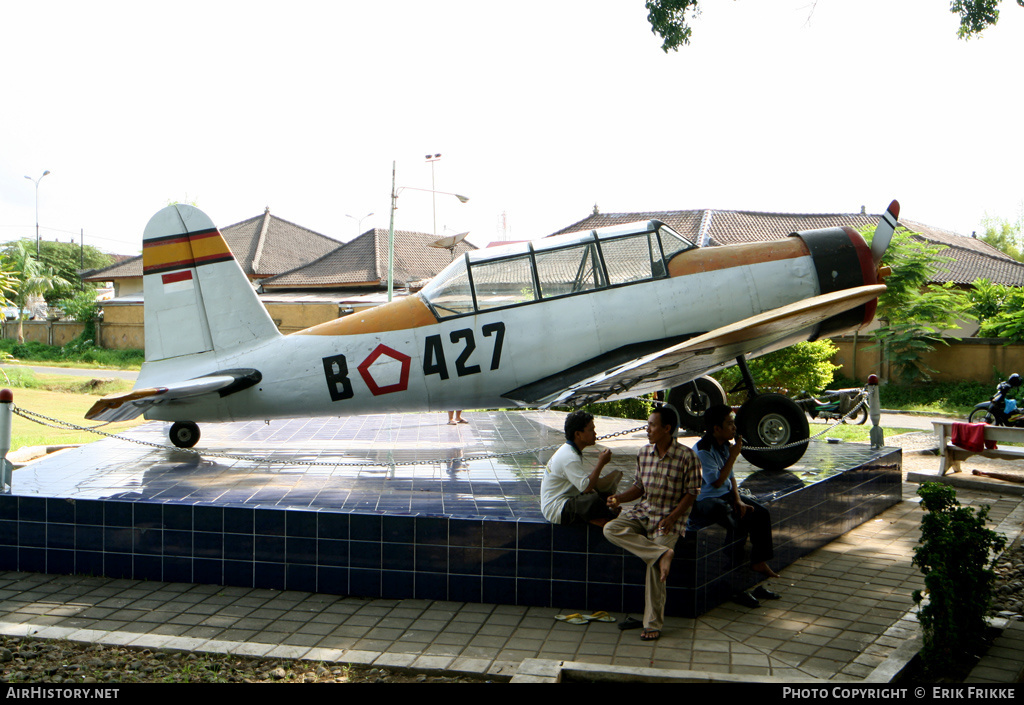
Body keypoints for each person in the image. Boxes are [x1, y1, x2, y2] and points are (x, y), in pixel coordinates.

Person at [603, 406, 701, 641]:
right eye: (648, 425)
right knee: (611, 528)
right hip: (644, 512)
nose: (647, 430)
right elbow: (639, 488)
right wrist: (619, 498)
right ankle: (661, 552)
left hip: (668, 519)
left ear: (667, 429)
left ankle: (652, 624)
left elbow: (691, 493)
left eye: (652, 425)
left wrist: (673, 517)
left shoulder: (687, 456)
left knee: (654, 568)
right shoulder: (643, 453)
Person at [689, 403, 780, 607]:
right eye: (729, 423)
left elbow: (731, 478)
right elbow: (717, 482)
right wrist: (733, 455)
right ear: (716, 428)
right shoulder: (703, 450)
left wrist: (738, 499)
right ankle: (733, 579)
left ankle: (758, 561)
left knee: (761, 513)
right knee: (734, 519)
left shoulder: (723, 445)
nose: (734, 427)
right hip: (706, 500)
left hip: (727, 496)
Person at [540, 411, 622, 526]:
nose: (595, 433)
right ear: (578, 434)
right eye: (591, 430)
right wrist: (601, 462)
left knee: (603, 495)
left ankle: (605, 516)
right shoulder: (569, 457)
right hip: (556, 509)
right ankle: (602, 521)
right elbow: (586, 487)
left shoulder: (571, 450)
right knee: (593, 500)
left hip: (565, 502)